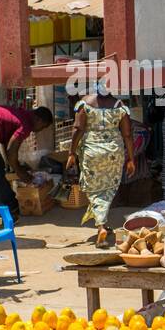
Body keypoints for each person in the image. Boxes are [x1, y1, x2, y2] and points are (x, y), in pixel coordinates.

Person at [66, 86, 134, 247]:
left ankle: (101, 226)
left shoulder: (84, 103)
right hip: (113, 153)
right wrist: (131, 158)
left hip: (92, 153)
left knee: (93, 189)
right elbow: (127, 134)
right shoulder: (119, 106)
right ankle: (101, 221)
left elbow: (78, 128)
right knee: (108, 189)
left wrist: (71, 153)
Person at [0, 103, 54, 218]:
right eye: (43, 126)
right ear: (38, 119)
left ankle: (11, 206)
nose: (41, 130)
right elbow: (11, 149)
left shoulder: (24, 116)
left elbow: (8, 146)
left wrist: (16, 167)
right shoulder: (26, 123)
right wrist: (19, 171)